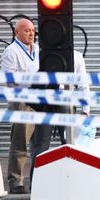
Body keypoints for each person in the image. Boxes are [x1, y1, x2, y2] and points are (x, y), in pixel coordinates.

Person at [29, 50, 91, 183]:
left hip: (65, 101)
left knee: (69, 144)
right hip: (46, 102)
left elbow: (83, 85)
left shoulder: (76, 56)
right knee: (42, 144)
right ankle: (36, 183)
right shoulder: (41, 55)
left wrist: (85, 110)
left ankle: (73, 180)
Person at [1, 18, 38, 194]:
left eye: (32, 30)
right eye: (26, 30)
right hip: (21, 100)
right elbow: (10, 80)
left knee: (38, 143)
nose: (31, 33)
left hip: (40, 99)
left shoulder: (38, 49)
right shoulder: (11, 51)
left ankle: (37, 180)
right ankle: (15, 182)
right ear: (17, 33)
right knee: (20, 142)